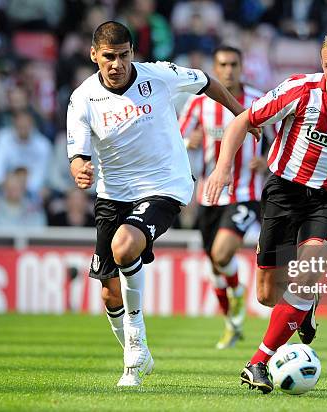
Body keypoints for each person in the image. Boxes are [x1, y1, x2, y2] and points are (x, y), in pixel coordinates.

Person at [205, 31, 327, 393]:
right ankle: (306, 305)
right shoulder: (298, 90)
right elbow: (241, 122)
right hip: (284, 192)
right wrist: (223, 169)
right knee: (267, 294)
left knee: (308, 271)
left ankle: (258, 362)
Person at [68, 21, 255, 387]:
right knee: (108, 292)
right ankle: (138, 358)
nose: (117, 64)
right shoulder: (82, 98)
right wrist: (80, 169)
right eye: (109, 57)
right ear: (94, 56)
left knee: (125, 247)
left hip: (165, 186)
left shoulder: (160, 75)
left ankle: (135, 347)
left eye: (123, 55)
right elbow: (77, 154)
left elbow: (207, 82)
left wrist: (239, 113)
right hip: (112, 195)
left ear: (133, 53)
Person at [179, 45, 268, 349]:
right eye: (223, 65)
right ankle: (232, 322)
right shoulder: (199, 104)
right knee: (216, 268)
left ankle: (239, 295)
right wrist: (187, 142)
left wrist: (268, 160)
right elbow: (175, 140)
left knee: (221, 254)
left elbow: (283, 136)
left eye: (234, 64)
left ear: (242, 67)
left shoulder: (259, 100)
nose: (229, 70)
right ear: (215, 70)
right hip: (208, 194)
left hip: (245, 192)